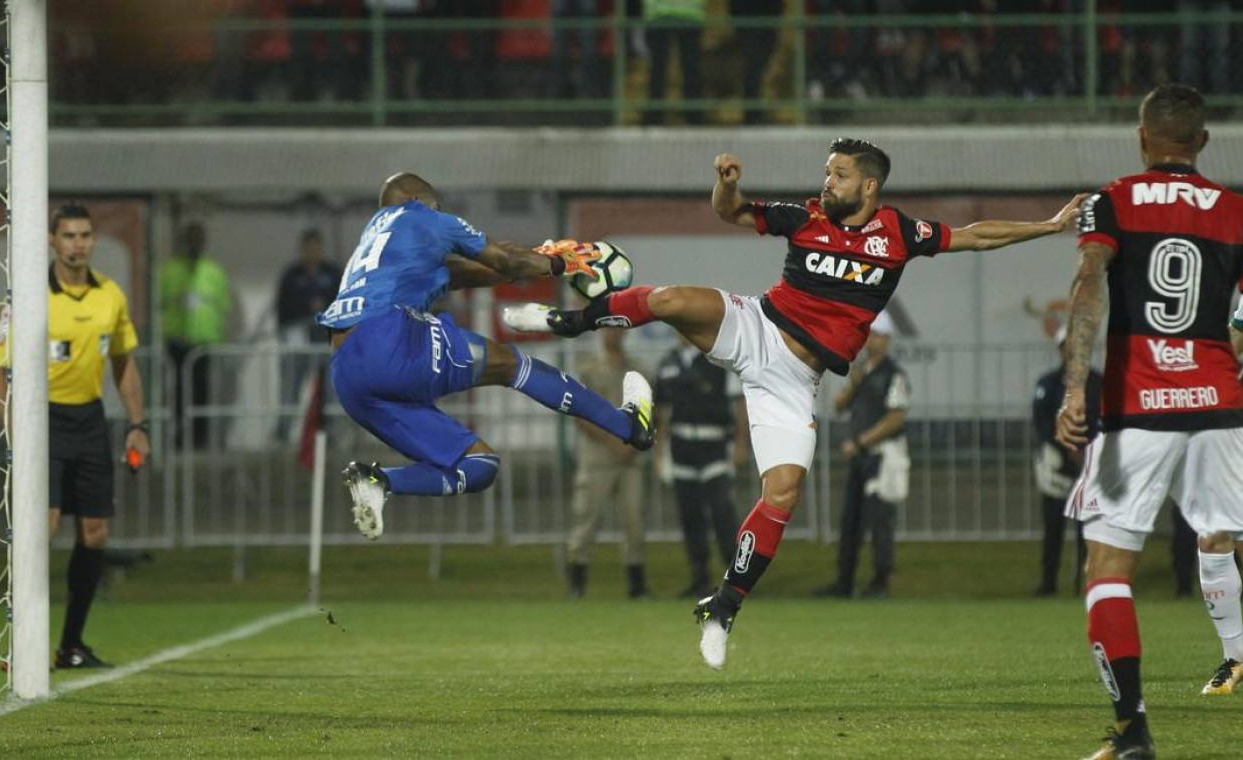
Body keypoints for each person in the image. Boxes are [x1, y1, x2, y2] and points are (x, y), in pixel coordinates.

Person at [504, 138, 1084, 669]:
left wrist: (1052, 224)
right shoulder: (805, 216)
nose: (827, 182)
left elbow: (977, 235)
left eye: (838, 175)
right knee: (672, 298)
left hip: (791, 381)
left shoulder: (899, 234)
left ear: (869, 186)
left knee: (781, 492)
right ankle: (566, 320)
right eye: (827, 172)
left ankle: (724, 605)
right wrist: (728, 183)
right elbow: (730, 211)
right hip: (756, 327)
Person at [1055, 83, 1243, 759]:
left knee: (1106, 566)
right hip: (1218, 402)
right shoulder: (1233, 211)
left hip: (1135, 407)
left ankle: (1131, 729)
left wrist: (1074, 387)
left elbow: (1087, 286)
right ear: (1200, 141)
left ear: (1141, 137)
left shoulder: (1113, 200)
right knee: (1223, 536)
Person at [318, 172, 655, 541]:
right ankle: (628, 426)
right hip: (389, 340)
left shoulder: (375, 239)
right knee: (510, 364)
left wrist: (539, 256)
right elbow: (505, 260)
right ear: (423, 199)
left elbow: (467, 272)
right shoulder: (426, 216)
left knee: (480, 466)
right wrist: (567, 263)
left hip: (347, 375)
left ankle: (377, 481)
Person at [0, 202, 151, 669]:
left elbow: (124, 363)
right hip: (42, 421)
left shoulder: (110, 296)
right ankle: (22, 644)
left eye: (84, 235)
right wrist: (16, 433)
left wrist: (138, 425)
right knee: (45, 525)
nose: (77, 244)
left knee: (96, 533)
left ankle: (72, 645)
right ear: (52, 241)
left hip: (90, 421)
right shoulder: (25, 298)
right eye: (69, 236)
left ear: (93, 240)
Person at [815, 310, 909, 600]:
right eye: (872, 334)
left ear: (888, 339)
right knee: (851, 521)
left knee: (880, 521)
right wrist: (854, 383)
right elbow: (840, 405)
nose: (874, 340)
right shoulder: (861, 371)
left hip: (882, 456)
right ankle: (844, 582)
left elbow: (896, 418)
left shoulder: (894, 375)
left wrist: (860, 441)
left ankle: (880, 582)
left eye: (880, 335)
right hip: (861, 458)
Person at [655, 334, 748, 599]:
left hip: (715, 445)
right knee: (690, 515)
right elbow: (662, 411)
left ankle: (737, 582)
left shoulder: (717, 360)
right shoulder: (667, 363)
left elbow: (738, 403)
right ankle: (700, 579)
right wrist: (660, 454)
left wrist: (741, 444)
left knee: (723, 513)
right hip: (682, 447)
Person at [566, 329, 650, 599]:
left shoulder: (638, 369)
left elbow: (649, 412)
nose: (613, 333)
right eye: (608, 327)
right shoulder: (588, 369)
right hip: (597, 456)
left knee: (634, 519)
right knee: (586, 518)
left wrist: (635, 443)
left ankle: (636, 585)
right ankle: (576, 584)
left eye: (618, 327)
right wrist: (613, 441)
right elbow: (580, 414)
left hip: (630, 459)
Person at [1031, 325, 1101, 597]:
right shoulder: (1048, 383)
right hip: (1056, 463)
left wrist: (1085, 447)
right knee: (1053, 527)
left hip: (1090, 461)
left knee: (1089, 529)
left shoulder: (1098, 382)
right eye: (1066, 346)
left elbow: (1104, 420)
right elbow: (1041, 421)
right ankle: (1048, 582)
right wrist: (1065, 445)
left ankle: (1085, 584)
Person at [159, 222, 232, 449]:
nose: (194, 243)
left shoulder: (214, 272)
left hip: (203, 344)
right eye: (190, 238)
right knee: (177, 395)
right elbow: (160, 303)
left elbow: (223, 306)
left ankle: (200, 441)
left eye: (198, 238)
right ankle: (179, 441)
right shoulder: (170, 271)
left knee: (202, 394)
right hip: (176, 342)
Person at [275, 228, 341, 441]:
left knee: (330, 389)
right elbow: (283, 309)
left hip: (326, 340)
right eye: (308, 248)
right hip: (298, 341)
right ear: (302, 250)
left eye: (316, 248)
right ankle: (283, 431)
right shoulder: (291, 276)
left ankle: (330, 433)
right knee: (291, 385)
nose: (312, 252)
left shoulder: (332, 274)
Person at [642, 0, 705, 126]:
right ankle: (694, 117)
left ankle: (655, 117)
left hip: (659, 13)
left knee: (659, 69)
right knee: (689, 69)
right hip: (688, 13)